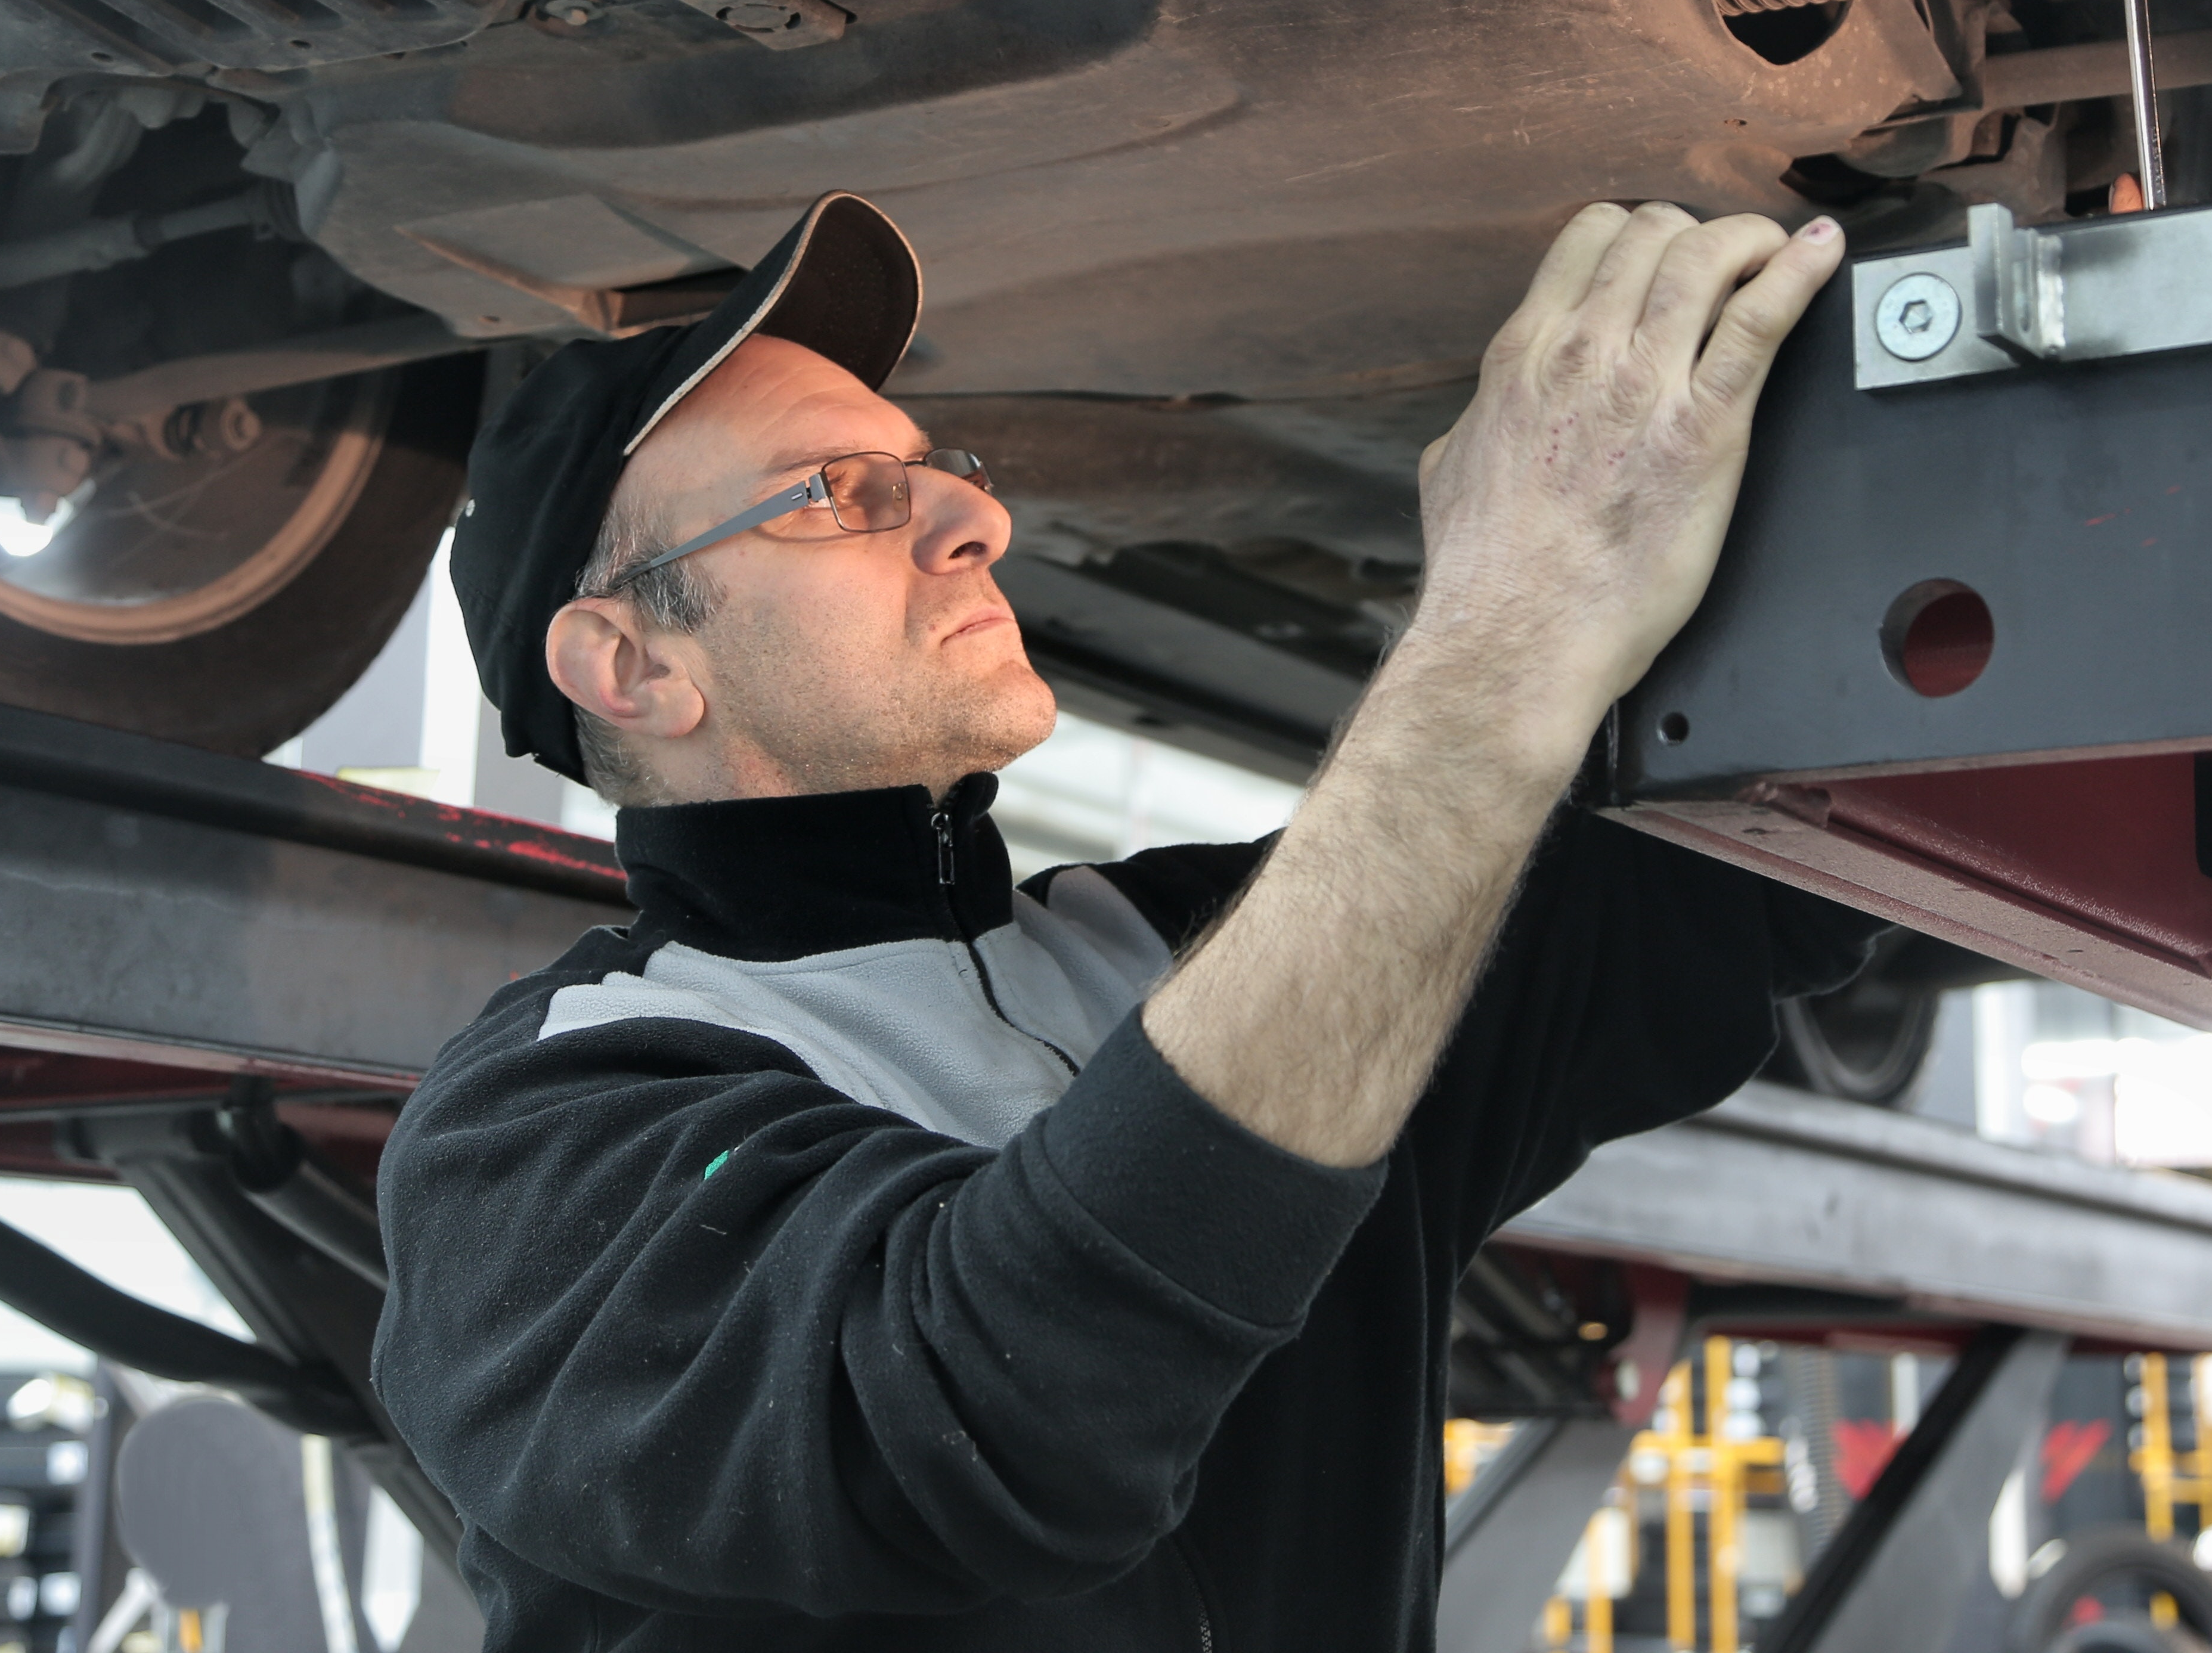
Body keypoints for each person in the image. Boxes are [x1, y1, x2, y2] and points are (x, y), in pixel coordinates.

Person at [373, 188, 1876, 1649]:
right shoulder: (540, 1140)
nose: (978, 516)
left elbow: (1765, 864)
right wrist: (1505, 625)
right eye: (838, 491)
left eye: (938, 465)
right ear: (630, 669)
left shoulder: (1203, 947)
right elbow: (994, 1417)